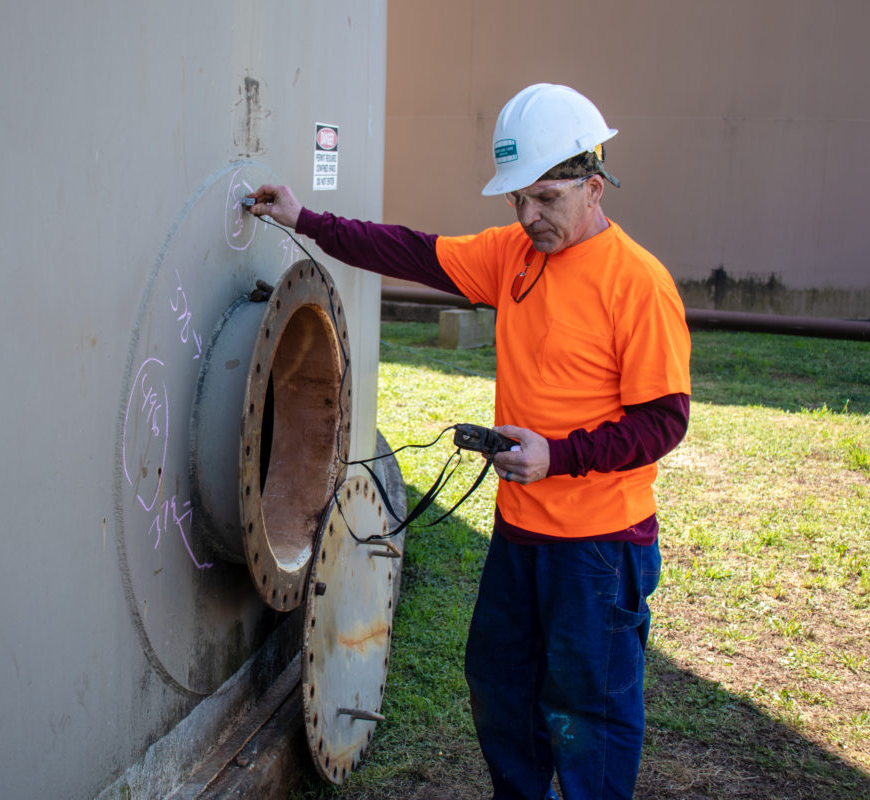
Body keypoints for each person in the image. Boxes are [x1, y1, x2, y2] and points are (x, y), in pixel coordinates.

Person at [247, 83, 691, 800]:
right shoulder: (514, 256)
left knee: (590, 713)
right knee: (499, 685)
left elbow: (664, 420)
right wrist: (307, 219)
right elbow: (411, 251)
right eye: (518, 199)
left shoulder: (638, 284)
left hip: (600, 550)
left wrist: (558, 455)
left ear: (594, 186)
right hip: (519, 538)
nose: (528, 215)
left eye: (546, 197)